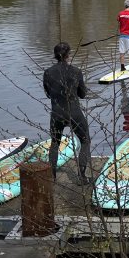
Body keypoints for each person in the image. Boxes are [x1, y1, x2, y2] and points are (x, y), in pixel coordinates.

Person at [43, 42, 92, 184]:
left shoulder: (47, 72)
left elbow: (48, 94)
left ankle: (51, 178)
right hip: (74, 112)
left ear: (55, 56)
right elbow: (82, 94)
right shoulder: (76, 71)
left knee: (55, 143)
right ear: (68, 55)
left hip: (57, 113)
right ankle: (82, 177)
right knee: (85, 141)